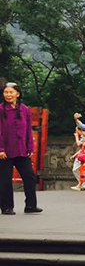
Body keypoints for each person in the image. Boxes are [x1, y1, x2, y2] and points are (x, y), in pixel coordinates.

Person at [0, 83, 41, 215]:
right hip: (5, 150)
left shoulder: (24, 109)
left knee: (29, 176)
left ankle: (30, 205)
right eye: (6, 92)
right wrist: (1, 149)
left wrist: (30, 147)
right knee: (5, 179)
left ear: (17, 94)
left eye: (11, 92)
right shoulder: (0, 110)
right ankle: (6, 207)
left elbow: (28, 130)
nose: (8, 95)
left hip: (21, 150)